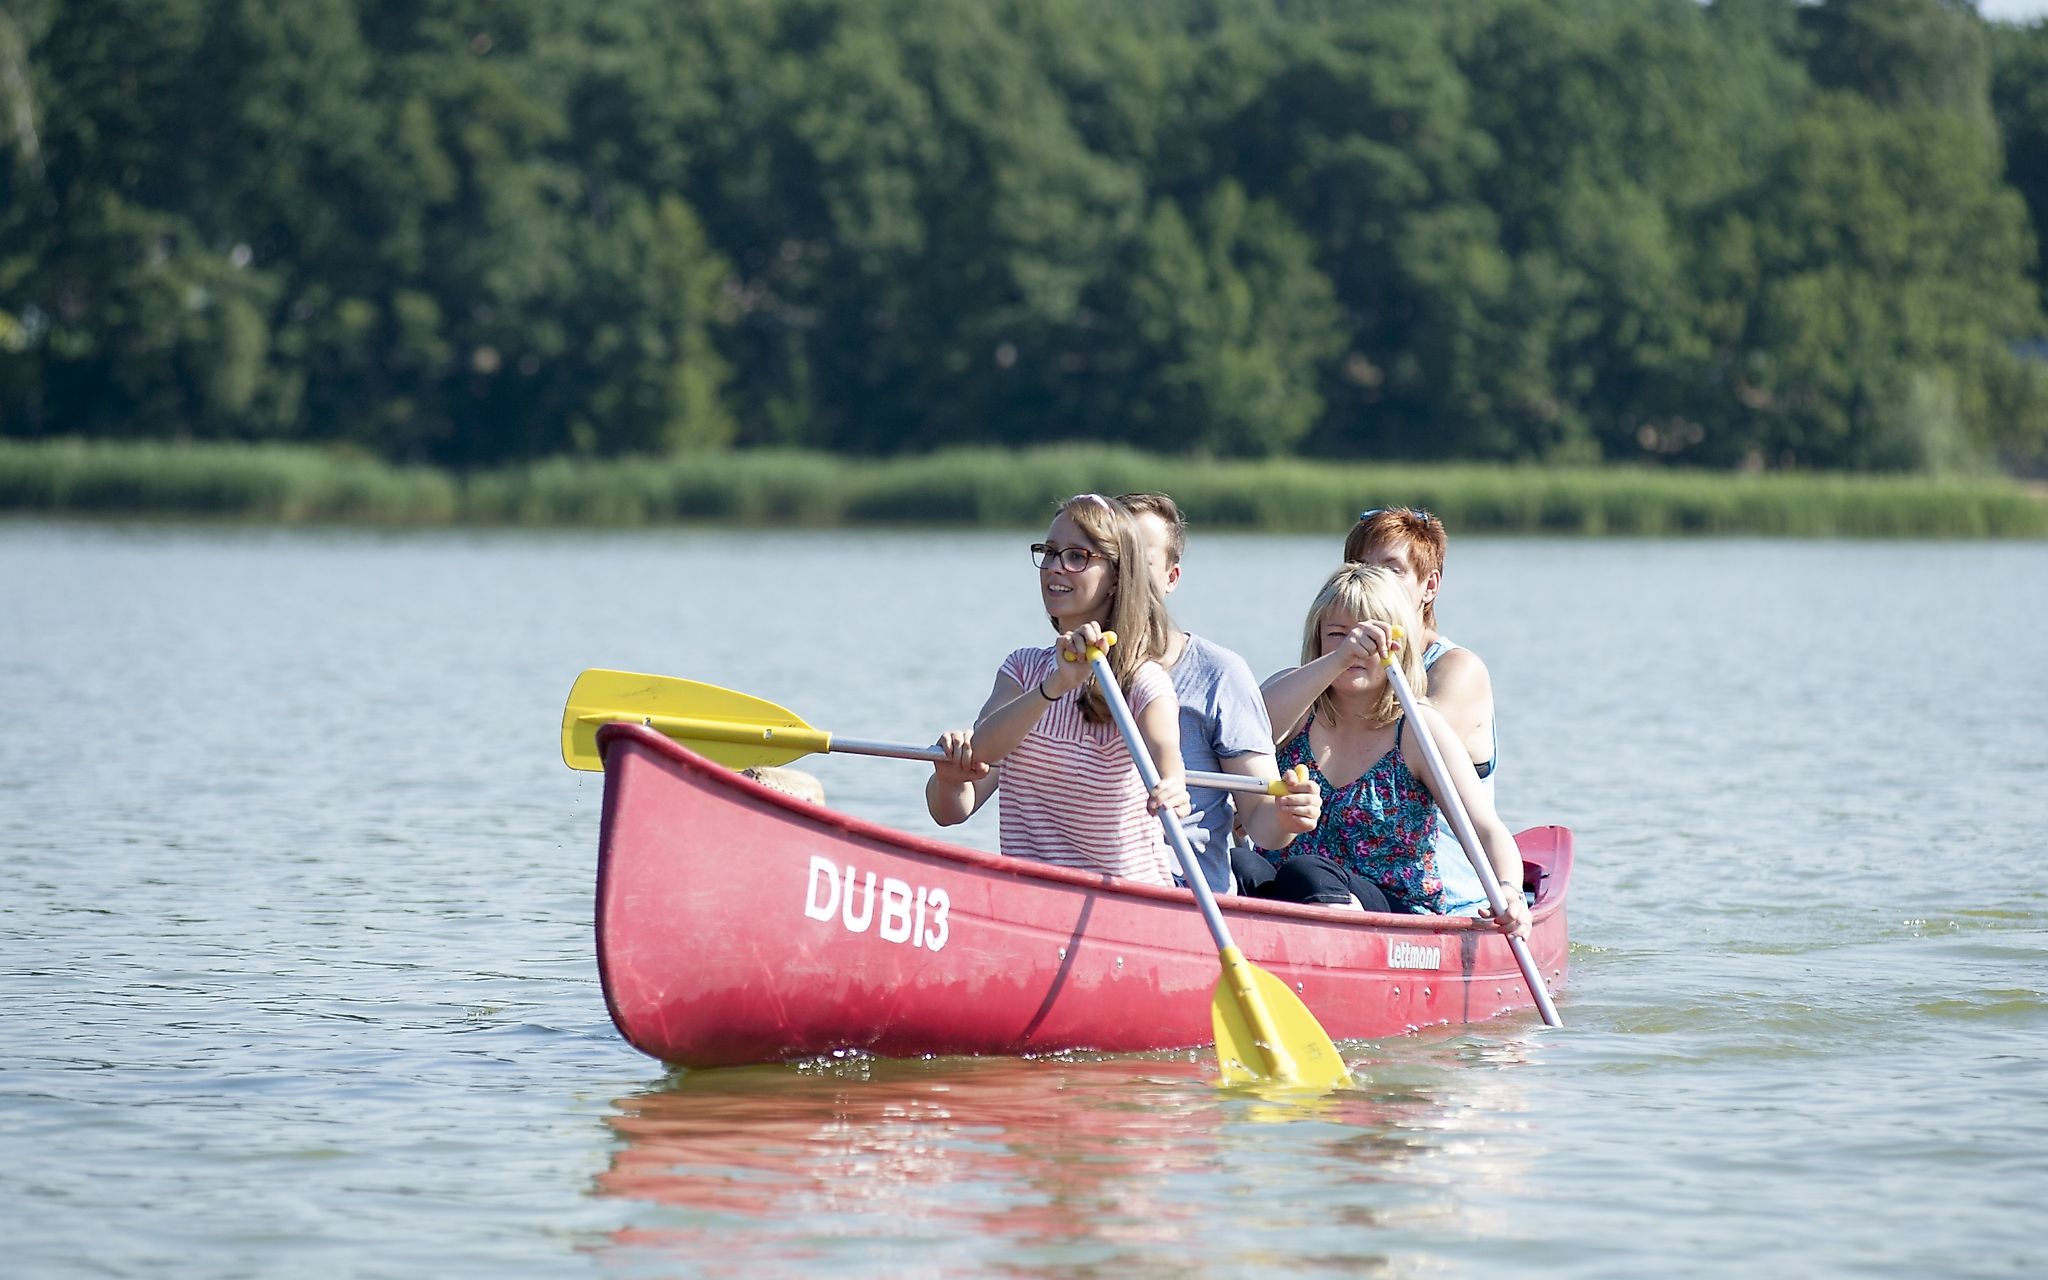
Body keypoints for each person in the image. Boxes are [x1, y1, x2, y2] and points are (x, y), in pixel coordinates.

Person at [1244, 564, 1530, 938]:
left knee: (1308, 871)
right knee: (1242, 865)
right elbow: (1253, 728)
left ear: (1400, 644)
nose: (1355, 648)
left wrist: (1509, 891)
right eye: (1336, 634)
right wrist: (1338, 660)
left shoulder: (1417, 727)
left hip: (1392, 911)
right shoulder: (1295, 704)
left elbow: (1486, 828)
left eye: (1371, 637)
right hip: (1288, 899)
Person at [925, 494, 1192, 886]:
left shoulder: (1143, 681)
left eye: (1076, 556)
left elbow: (1168, 761)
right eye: (1048, 552)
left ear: (1117, 576)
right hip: (1033, 900)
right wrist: (951, 779)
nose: (1054, 568)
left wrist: (1173, 787)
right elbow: (953, 810)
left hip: (1124, 902)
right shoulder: (1022, 670)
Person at [1115, 492, 1320, 894]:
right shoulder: (1059, 672)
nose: (1124, 574)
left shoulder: (1219, 674)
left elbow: (1261, 822)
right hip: (1081, 873)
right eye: (1113, 558)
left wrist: (1287, 815)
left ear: (1171, 578)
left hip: (1182, 892)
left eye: (1140, 561)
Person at [1344, 506, 1496, 909]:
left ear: (1429, 587)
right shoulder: (1338, 662)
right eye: (1360, 566)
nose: (1372, 580)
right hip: (1346, 873)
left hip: (1438, 892)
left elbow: (1394, 749)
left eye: (1392, 569)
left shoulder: (1457, 670)